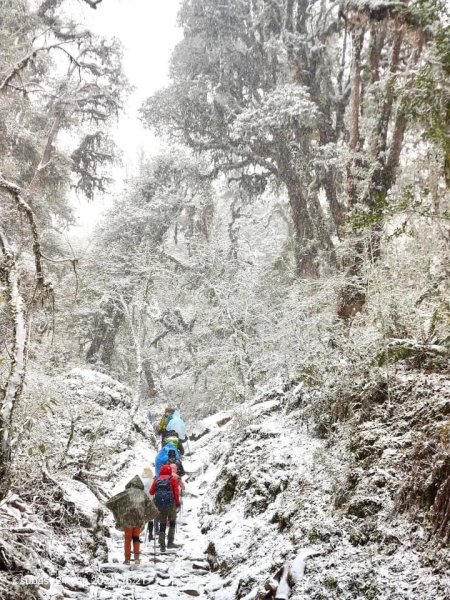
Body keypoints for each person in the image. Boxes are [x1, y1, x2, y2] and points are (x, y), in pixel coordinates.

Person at [105, 475, 158, 566]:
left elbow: (109, 502)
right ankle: (137, 559)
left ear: (130, 484)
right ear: (139, 485)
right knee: (136, 539)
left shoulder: (125, 493)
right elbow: (152, 509)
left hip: (127, 520)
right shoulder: (142, 494)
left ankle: (127, 559)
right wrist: (146, 516)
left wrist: (120, 510)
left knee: (128, 539)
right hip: (138, 520)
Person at [149, 464, 181, 552]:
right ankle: (170, 542)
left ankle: (162, 544)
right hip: (171, 504)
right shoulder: (173, 479)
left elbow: (151, 492)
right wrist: (177, 503)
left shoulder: (157, 479)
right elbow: (176, 492)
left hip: (159, 504)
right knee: (172, 522)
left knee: (162, 523)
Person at [141, 466, 157, 541]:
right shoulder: (152, 480)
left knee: (142, 519)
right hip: (150, 501)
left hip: (142, 502)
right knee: (151, 519)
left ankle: (137, 535)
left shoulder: (141, 480)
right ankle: (150, 534)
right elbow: (154, 491)